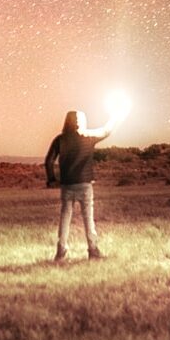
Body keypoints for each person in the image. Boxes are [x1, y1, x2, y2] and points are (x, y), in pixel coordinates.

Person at [44, 106, 123, 262]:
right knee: (88, 219)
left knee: (65, 218)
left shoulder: (60, 139)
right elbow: (106, 131)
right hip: (85, 184)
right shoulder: (88, 137)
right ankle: (93, 251)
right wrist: (115, 116)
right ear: (81, 122)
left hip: (67, 185)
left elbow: (49, 161)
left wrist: (52, 180)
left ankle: (61, 251)